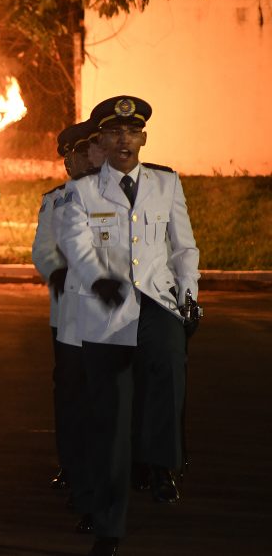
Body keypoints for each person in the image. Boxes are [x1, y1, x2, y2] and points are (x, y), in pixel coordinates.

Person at [58, 96, 199, 556]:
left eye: (132, 132)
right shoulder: (83, 192)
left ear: (144, 138)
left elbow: (184, 247)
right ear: (100, 141)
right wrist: (97, 280)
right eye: (115, 133)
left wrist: (189, 294)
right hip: (107, 312)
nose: (124, 140)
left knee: (170, 360)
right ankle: (108, 525)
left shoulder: (166, 183)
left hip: (156, 301)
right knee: (111, 423)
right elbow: (76, 246)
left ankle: (162, 462)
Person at [31, 120, 99, 531]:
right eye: (76, 154)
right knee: (73, 399)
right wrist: (67, 278)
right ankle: (74, 469)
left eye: (89, 150)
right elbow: (44, 251)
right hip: (70, 316)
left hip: (114, 318)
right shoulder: (56, 201)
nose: (84, 160)